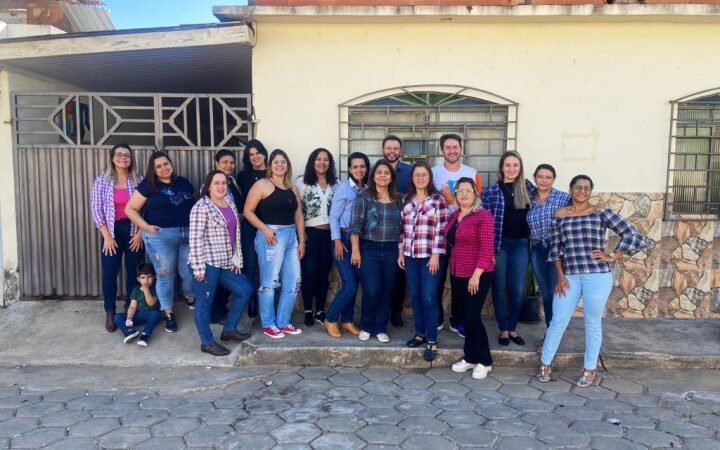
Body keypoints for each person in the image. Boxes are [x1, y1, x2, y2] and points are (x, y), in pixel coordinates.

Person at [537, 175, 649, 387]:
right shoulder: (560, 215)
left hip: (597, 275)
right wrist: (559, 276)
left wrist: (613, 255)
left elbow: (633, 235)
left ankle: (589, 369)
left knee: (592, 322)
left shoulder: (601, 212)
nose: (582, 191)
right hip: (569, 276)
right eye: (577, 187)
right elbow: (555, 248)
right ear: (570, 190)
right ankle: (545, 363)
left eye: (586, 188)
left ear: (591, 191)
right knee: (558, 320)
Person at [125, 151, 195, 333]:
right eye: (159, 166)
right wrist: (146, 227)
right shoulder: (148, 186)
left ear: (171, 164)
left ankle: (190, 296)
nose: (164, 168)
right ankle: (168, 313)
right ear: (153, 170)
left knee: (188, 272)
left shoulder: (184, 183)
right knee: (166, 276)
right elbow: (130, 209)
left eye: (166, 164)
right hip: (161, 237)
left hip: (187, 236)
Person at [188, 170, 255, 356]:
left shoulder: (229, 203)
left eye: (224, 183)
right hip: (206, 264)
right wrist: (199, 268)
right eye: (216, 183)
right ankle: (207, 342)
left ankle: (229, 329)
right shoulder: (201, 207)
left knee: (245, 290)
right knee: (204, 303)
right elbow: (195, 240)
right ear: (208, 186)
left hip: (224, 263)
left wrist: (235, 258)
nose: (220, 186)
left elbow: (235, 234)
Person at [244, 149, 306, 339]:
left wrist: (302, 241)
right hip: (271, 236)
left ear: (288, 165)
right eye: (276, 162)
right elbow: (248, 211)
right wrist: (264, 229)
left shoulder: (292, 188)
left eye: (284, 162)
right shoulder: (262, 185)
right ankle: (268, 323)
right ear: (270, 165)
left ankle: (283, 321)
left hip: (290, 237)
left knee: (294, 281)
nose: (280, 165)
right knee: (269, 282)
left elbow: (298, 216)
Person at [482, 151, 536, 347]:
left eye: (515, 165)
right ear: (501, 167)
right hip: (500, 244)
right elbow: (485, 224)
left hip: (521, 244)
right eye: (508, 165)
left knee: (517, 289)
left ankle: (512, 327)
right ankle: (503, 328)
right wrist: (488, 251)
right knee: (498, 286)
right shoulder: (490, 192)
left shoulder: (529, 188)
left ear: (520, 167)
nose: (512, 169)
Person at [445, 178, 495, 379]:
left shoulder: (483, 216)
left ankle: (485, 361)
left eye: (468, 190)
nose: (464, 194)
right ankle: (470, 356)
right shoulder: (455, 215)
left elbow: (487, 248)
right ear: (455, 194)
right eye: (460, 190)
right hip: (457, 271)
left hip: (477, 274)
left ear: (475, 193)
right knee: (465, 317)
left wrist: (476, 275)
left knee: (473, 316)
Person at [91, 143, 145, 332]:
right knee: (109, 274)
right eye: (119, 154)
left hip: (133, 232)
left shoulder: (138, 180)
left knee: (133, 274)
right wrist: (106, 237)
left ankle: (131, 311)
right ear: (112, 158)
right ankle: (110, 313)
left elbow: (146, 209)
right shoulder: (102, 181)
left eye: (127, 155)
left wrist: (140, 233)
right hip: (111, 233)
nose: (123, 158)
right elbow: (97, 210)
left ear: (131, 159)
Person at [398, 161, 449, 361]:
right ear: (412, 178)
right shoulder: (407, 200)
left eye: (424, 175)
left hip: (430, 257)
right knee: (416, 297)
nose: (420, 178)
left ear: (429, 178)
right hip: (411, 256)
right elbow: (402, 230)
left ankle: (432, 339)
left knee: (429, 297)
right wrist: (401, 252)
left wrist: (436, 255)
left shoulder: (438, 200)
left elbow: (442, 229)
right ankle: (420, 333)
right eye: (417, 175)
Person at [431, 133, 481, 336]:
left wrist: (451, 198)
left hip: (466, 235)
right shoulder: (433, 173)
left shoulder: (472, 172)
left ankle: (458, 319)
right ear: (442, 150)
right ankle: (437, 317)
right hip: (439, 234)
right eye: (448, 147)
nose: (452, 151)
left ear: (461, 149)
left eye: (455, 147)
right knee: (437, 278)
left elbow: (478, 203)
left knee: (461, 281)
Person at [349, 159, 402, 343]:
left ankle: (380, 328)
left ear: (391, 177)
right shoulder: (364, 196)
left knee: (387, 290)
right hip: (368, 248)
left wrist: (401, 252)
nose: (382, 175)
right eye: (379, 172)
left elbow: (402, 229)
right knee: (371, 290)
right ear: (373, 176)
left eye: (386, 173)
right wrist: (356, 250)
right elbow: (354, 226)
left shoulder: (398, 198)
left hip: (391, 249)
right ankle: (366, 325)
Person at [325, 152, 369, 338]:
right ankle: (331, 318)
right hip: (342, 239)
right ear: (350, 169)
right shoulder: (344, 188)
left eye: (362, 166)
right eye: (355, 166)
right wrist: (336, 241)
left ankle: (347, 320)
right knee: (349, 284)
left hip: (359, 240)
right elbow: (334, 216)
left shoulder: (368, 188)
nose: (359, 170)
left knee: (355, 282)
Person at [526, 164, 571, 346]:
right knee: (545, 294)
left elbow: (579, 213)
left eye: (548, 177)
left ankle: (553, 338)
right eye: (540, 176)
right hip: (537, 249)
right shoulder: (530, 199)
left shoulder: (563, 198)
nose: (544, 180)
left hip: (557, 249)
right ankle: (550, 335)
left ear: (553, 179)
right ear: (535, 178)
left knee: (556, 294)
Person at [296, 148, 337, 327]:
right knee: (310, 272)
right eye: (318, 159)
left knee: (323, 272)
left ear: (330, 163)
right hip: (310, 233)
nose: (322, 163)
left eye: (326, 160)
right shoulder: (302, 182)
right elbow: (297, 211)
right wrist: (301, 237)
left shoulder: (336, 184)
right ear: (312, 161)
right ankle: (307, 310)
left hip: (329, 234)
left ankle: (320, 310)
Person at [208, 149, 244, 325]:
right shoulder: (213, 185)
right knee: (217, 279)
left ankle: (221, 309)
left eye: (231, 162)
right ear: (216, 164)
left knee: (226, 276)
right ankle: (216, 313)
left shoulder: (233, 181)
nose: (229, 165)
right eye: (224, 162)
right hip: (218, 242)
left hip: (232, 238)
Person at [382, 135, 412, 328]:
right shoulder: (375, 170)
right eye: (388, 148)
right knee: (382, 275)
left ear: (401, 150)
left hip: (403, 230)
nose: (391, 151)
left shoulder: (409, 171)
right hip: (380, 230)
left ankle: (396, 312)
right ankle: (381, 311)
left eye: (395, 148)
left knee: (400, 275)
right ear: (382, 149)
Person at [237, 140, 269, 319]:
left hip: (270, 226)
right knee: (250, 264)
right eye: (251, 154)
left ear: (264, 153)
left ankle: (266, 300)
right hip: (249, 225)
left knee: (268, 266)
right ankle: (251, 301)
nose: (255, 157)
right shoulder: (242, 176)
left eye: (258, 152)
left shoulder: (272, 172)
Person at [113, 263, 161, 347]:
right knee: (117, 316)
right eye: (143, 278)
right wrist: (129, 318)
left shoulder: (156, 288)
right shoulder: (136, 289)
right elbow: (132, 306)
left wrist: (146, 291)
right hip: (138, 315)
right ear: (138, 279)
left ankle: (144, 335)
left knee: (156, 314)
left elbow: (151, 303)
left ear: (154, 277)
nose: (146, 280)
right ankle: (129, 331)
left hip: (150, 314)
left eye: (149, 277)